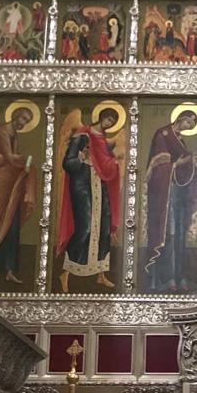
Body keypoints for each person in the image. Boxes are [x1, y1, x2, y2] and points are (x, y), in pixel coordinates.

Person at [57, 106, 122, 291]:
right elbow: (67, 163)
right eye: (108, 119)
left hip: (99, 185)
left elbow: (105, 164)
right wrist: (81, 157)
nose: (108, 124)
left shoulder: (103, 141)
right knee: (84, 227)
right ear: (101, 117)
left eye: (112, 122)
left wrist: (115, 161)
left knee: (103, 228)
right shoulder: (82, 135)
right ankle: (65, 273)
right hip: (82, 184)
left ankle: (101, 275)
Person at [144, 108, 197, 293]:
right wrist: (178, 164)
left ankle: (179, 277)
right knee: (168, 234)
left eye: (192, 125)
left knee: (179, 234)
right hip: (165, 195)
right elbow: (157, 166)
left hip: (178, 194)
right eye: (188, 123)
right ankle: (166, 279)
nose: (188, 127)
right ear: (180, 118)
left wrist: (191, 163)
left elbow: (183, 168)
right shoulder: (163, 134)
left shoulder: (180, 140)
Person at [0, 105, 36, 285]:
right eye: (23, 118)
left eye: (27, 121)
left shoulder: (14, 136)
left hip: (10, 186)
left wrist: (20, 164)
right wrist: (14, 159)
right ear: (15, 115)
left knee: (11, 225)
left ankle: (9, 270)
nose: (23, 123)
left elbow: (12, 160)